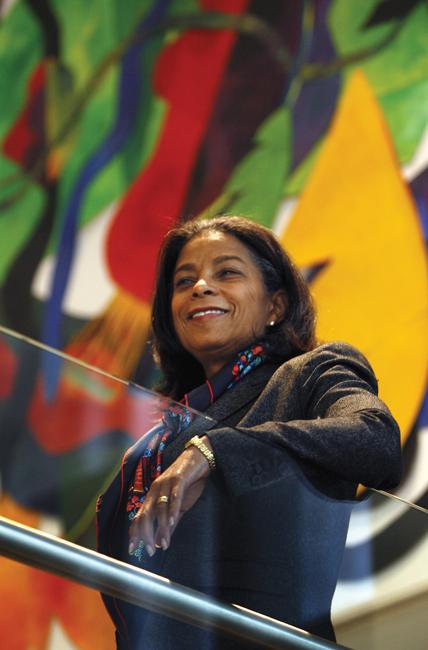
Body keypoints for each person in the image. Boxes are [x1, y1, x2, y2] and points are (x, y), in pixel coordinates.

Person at [97, 215, 402, 649]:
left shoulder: (308, 374)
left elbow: (375, 439)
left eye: (227, 272)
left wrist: (214, 452)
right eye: (184, 282)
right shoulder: (152, 446)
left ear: (274, 306)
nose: (200, 286)